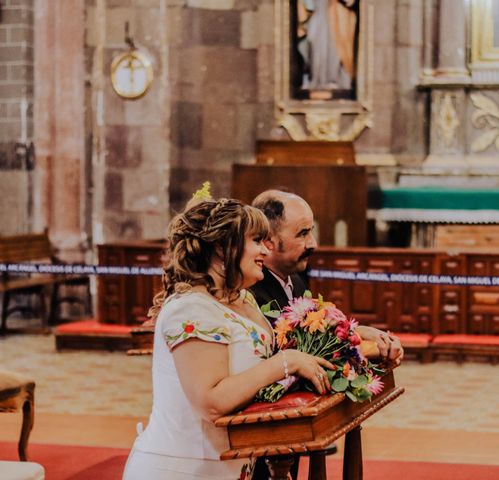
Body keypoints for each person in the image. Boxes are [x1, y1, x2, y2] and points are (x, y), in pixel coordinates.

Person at [122, 197, 335, 480]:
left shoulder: (242, 299)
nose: (264, 249)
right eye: (256, 240)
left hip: (229, 467)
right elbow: (211, 401)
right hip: (183, 468)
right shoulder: (191, 307)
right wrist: (286, 363)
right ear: (223, 249)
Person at [250, 189, 404, 363]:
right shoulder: (251, 291)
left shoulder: (297, 279)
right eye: (303, 234)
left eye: (311, 231)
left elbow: (317, 334)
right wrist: (370, 348)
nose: (313, 243)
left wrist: (358, 332)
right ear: (269, 241)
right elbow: (297, 353)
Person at [296, 0, 358, 91]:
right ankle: (317, 79)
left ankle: (333, 79)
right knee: (315, 49)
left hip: (336, 16)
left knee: (335, 50)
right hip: (318, 16)